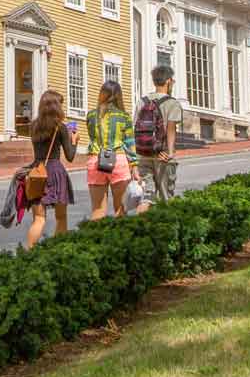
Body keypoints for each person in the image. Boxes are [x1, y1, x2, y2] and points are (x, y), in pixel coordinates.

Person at [25, 90, 78, 248]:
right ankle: (58, 249)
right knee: (61, 217)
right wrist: (73, 140)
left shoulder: (33, 126)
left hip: (37, 172)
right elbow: (70, 156)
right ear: (56, 107)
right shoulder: (60, 127)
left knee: (39, 219)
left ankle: (29, 252)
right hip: (55, 171)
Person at [86, 80, 139, 219]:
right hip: (118, 160)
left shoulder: (91, 116)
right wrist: (134, 165)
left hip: (96, 159)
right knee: (120, 210)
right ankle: (117, 240)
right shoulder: (124, 117)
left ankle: (93, 240)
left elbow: (92, 137)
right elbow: (129, 143)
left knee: (97, 210)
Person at [136, 64, 183, 212]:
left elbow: (135, 128)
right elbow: (170, 129)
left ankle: (140, 228)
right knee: (165, 198)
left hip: (143, 154)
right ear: (168, 81)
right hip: (162, 155)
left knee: (146, 196)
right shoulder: (172, 103)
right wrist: (170, 153)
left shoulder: (142, 102)